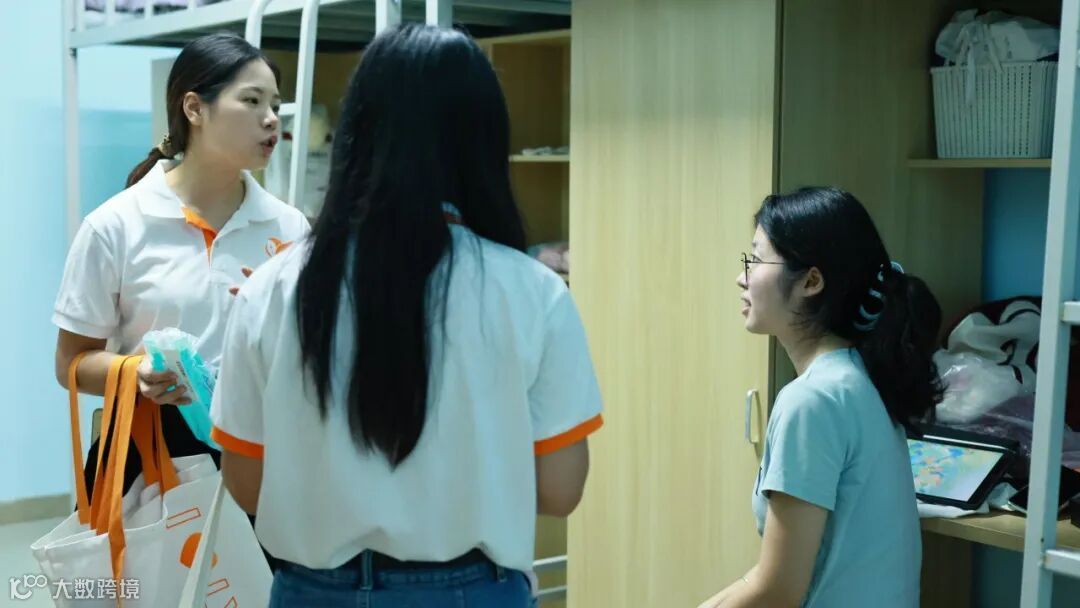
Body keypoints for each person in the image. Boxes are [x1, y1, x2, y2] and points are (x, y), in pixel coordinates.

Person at [209, 23, 603, 608]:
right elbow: (560, 489)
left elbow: (246, 483)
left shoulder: (272, 287)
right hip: (470, 593)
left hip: (311, 591)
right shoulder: (532, 292)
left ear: (355, 134)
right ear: (482, 141)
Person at [53, 31, 309, 498]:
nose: (271, 118)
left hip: (260, 449)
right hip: (150, 456)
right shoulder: (115, 224)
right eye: (251, 100)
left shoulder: (289, 227)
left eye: (275, 104)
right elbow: (71, 363)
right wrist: (137, 373)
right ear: (194, 109)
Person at [699, 187, 942, 607]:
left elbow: (777, 590)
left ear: (811, 281)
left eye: (755, 259)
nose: (742, 277)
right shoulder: (860, 378)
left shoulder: (812, 401)